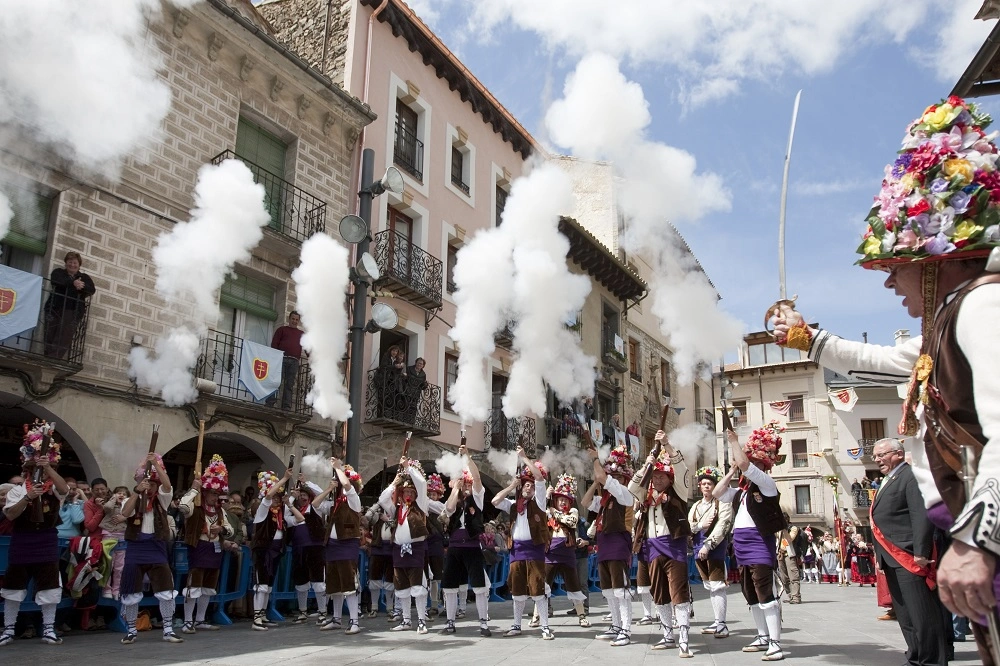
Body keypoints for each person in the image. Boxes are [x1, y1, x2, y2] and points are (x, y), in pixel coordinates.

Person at [769, 95, 1000, 664]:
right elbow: (879, 361)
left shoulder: (981, 309)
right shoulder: (950, 321)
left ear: (934, 260)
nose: (888, 283)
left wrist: (977, 541)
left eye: (894, 266)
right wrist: (806, 339)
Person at [869, 438, 948, 665]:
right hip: (891, 557)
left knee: (922, 614)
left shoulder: (911, 476)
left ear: (899, 454)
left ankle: (931, 661)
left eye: (881, 455)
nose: (877, 460)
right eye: (875, 456)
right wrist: (879, 555)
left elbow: (921, 515)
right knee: (905, 615)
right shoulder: (889, 479)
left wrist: (921, 552)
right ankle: (915, 656)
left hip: (909, 556)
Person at [714, 424, 786, 661]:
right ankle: (762, 636)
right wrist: (732, 469)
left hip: (758, 543)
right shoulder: (741, 492)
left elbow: (747, 465)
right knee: (749, 592)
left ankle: (775, 642)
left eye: (753, 465)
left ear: (763, 466)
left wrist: (734, 443)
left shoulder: (767, 485)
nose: (747, 469)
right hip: (742, 545)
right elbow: (717, 492)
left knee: (765, 592)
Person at [1, 421, 69, 646]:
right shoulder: (18, 491)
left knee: (50, 586)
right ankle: (8, 629)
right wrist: (29, 497)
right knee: (13, 586)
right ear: (26, 470)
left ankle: (48, 628)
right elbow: (10, 515)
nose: (34, 471)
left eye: (37, 467)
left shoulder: (53, 489)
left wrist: (48, 467)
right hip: (22, 541)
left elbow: (65, 490)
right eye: (32, 468)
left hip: (46, 540)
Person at [628, 431, 694, 657]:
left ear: (669, 478)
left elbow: (683, 469)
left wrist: (667, 445)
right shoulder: (645, 495)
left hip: (673, 546)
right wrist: (647, 464)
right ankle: (667, 634)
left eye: (661, 476)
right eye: (654, 476)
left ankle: (684, 638)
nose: (656, 480)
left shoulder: (679, 491)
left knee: (679, 593)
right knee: (659, 593)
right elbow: (631, 487)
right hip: (653, 547)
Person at [119, 452, 183, 644]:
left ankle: (168, 629)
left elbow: (168, 485)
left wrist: (156, 464)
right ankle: (131, 629)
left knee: (165, 588)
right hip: (136, 547)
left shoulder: (162, 501)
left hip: (156, 546)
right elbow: (125, 512)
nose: (151, 487)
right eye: (148, 483)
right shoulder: (132, 498)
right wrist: (138, 492)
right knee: (131, 590)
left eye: (153, 484)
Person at [492, 449, 553, 640]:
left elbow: (539, 478)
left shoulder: (540, 503)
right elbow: (494, 501)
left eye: (531, 486)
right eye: (526, 485)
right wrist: (512, 485)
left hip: (534, 550)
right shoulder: (512, 504)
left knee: (537, 590)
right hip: (516, 550)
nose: (528, 488)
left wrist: (525, 458)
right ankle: (516, 625)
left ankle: (544, 626)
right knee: (517, 590)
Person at [583, 443, 635, 647]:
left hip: (618, 545)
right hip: (604, 546)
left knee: (621, 590)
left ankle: (626, 629)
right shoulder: (605, 499)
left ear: (624, 479)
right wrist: (596, 484)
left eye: (619, 477)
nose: (615, 480)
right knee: (608, 590)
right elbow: (586, 502)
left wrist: (596, 459)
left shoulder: (624, 494)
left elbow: (606, 478)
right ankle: (615, 625)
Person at [177, 455, 234, 634]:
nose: (215, 497)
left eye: (217, 494)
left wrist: (221, 530)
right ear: (206, 491)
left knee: (208, 587)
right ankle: (187, 621)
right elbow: (182, 507)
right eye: (213, 493)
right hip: (198, 547)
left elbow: (230, 530)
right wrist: (194, 489)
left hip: (214, 550)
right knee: (193, 586)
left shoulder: (220, 511)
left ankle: (200, 620)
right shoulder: (195, 506)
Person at [440, 443, 491, 637]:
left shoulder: (477, 498)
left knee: (478, 586)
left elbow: (477, 478)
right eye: (466, 484)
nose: (468, 487)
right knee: (450, 586)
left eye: (468, 484)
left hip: (471, 546)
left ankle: (484, 624)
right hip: (454, 547)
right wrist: (455, 489)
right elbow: (449, 508)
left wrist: (468, 456)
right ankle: (450, 622)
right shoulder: (455, 498)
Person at [380, 457, 431, 634]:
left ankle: (422, 621)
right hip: (398, 551)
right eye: (405, 491)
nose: (408, 494)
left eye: (411, 492)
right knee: (401, 587)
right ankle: (406, 620)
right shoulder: (396, 509)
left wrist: (408, 468)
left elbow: (422, 484)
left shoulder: (421, 506)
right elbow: (382, 499)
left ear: (416, 495)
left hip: (415, 550)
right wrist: (394, 484)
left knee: (417, 587)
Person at [313, 459, 363, 634]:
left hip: (348, 544)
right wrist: (329, 489)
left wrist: (338, 469)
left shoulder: (354, 500)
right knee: (334, 584)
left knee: (349, 584)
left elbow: (348, 486)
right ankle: (335, 618)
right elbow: (315, 504)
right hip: (332, 545)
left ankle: (354, 621)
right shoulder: (336, 505)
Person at [687, 465, 734, 638]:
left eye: (709, 483)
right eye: (703, 483)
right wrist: (699, 526)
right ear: (699, 486)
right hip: (698, 548)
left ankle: (722, 624)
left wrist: (708, 545)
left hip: (714, 549)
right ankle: (717, 620)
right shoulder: (696, 505)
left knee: (717, 585)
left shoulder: (722, 503)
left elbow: (723, 525)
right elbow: (688, 526)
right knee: (709, 586)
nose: (706, 486)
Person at [541, 474, 590, 627]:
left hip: (567, 553)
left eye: (565, 500)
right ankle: (538, 616)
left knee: (574, 585)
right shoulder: (547, 511)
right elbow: (537, 509)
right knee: (543, 586)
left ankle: (581, 615)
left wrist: (554, 512)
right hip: (550, 554)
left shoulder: (573, 512)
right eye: (560, 499)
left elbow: (570, 521)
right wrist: (546, 496)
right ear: (555, 500)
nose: (562, 502)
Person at [250, 468, 293, 631]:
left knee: (268, 585)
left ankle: (262, 614)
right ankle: (256, 618)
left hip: (275, 550)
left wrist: (290, 498)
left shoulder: (280, 514)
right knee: (261, 584)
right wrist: (283, 480)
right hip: (263, 550)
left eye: (278, 498)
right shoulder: (262, 510)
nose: (276, 500)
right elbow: (267, 496)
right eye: (275, 497)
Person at [285, 477, 327, 625]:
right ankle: (302, 612)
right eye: (300, 495)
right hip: (299, 549)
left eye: (305, 495)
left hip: (315, 548)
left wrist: (306, 482)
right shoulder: (292, 514)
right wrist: (292, 496)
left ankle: (322, 612)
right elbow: (285, 510)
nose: (302, 497)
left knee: (318, 581)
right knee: (300, 581)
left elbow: (321, 493)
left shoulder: (315, 508)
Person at [43, 251, 96, 359]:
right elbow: (56, 281)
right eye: (70, 262)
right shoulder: (58, 272)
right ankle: (48, 357)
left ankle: (53, 359)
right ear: (66, 263)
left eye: (75, 263)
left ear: (79, 264)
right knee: (50, 333)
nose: (72, 265)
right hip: (54, 307)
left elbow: (91, 289)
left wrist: (81, 286)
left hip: (73, 310)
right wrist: (72, 283)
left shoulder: (84, 277)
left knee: (65, 336)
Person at [268, 311, 304, 410]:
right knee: (277, 382)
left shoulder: (301, 334)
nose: (294, 321)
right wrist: (275, 357)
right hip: (281, 359)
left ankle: (286, 407)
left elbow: (307, 347)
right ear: (289, 319)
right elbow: (274, 344)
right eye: (293, 319)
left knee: (289, 385)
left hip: (294, 361)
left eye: (297, 320)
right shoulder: (282, 330)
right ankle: (270, 403)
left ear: (298, 321)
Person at [425, 473, 447, 617]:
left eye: (435, 494)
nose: (432, 496)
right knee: (431, 578)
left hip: (438, 544)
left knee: (440, 576)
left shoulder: (440, 506)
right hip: (427, 544)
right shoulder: (426, 504)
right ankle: (433, 605)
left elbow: (434, 507)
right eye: (430, 493)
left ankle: (445, 605)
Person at [776, 515, 802, 604]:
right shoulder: (778, 529)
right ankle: (790, 595)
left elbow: (789, 539)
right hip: (780, 554)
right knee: (783, 577)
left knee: (793, 577)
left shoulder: (793, 528)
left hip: (789, 555)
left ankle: (796, 597)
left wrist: (784, 529)